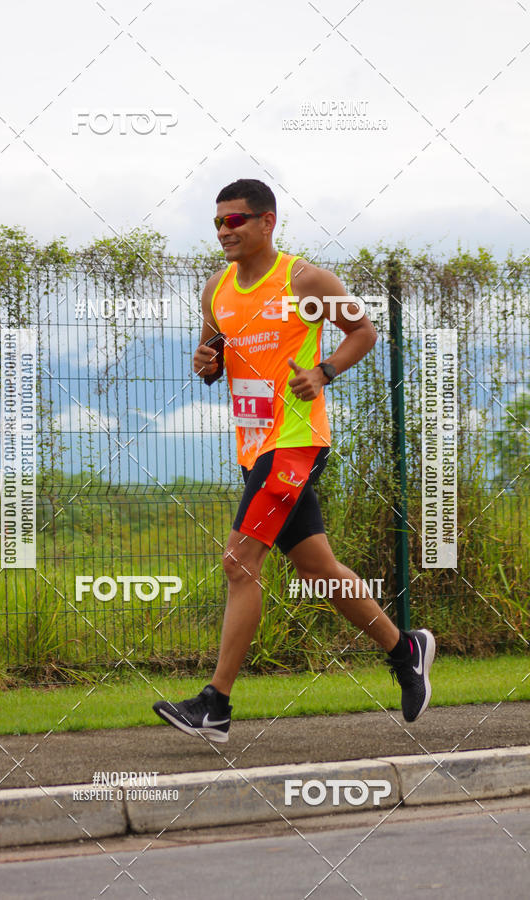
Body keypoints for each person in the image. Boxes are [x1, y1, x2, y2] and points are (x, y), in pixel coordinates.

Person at [153, 178, 435, 742]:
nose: (224, 231)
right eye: (217, 222)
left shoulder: (304, 280)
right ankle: (406, 650)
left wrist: (325, 371)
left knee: (239, 563)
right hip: (253, 447)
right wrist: (207, 363)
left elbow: (363, 330)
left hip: (296, 442)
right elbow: (214, 356)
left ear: (266, 222)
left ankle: (216, 705)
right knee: (317, 568)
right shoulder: (216, 289)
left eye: (235, 221)